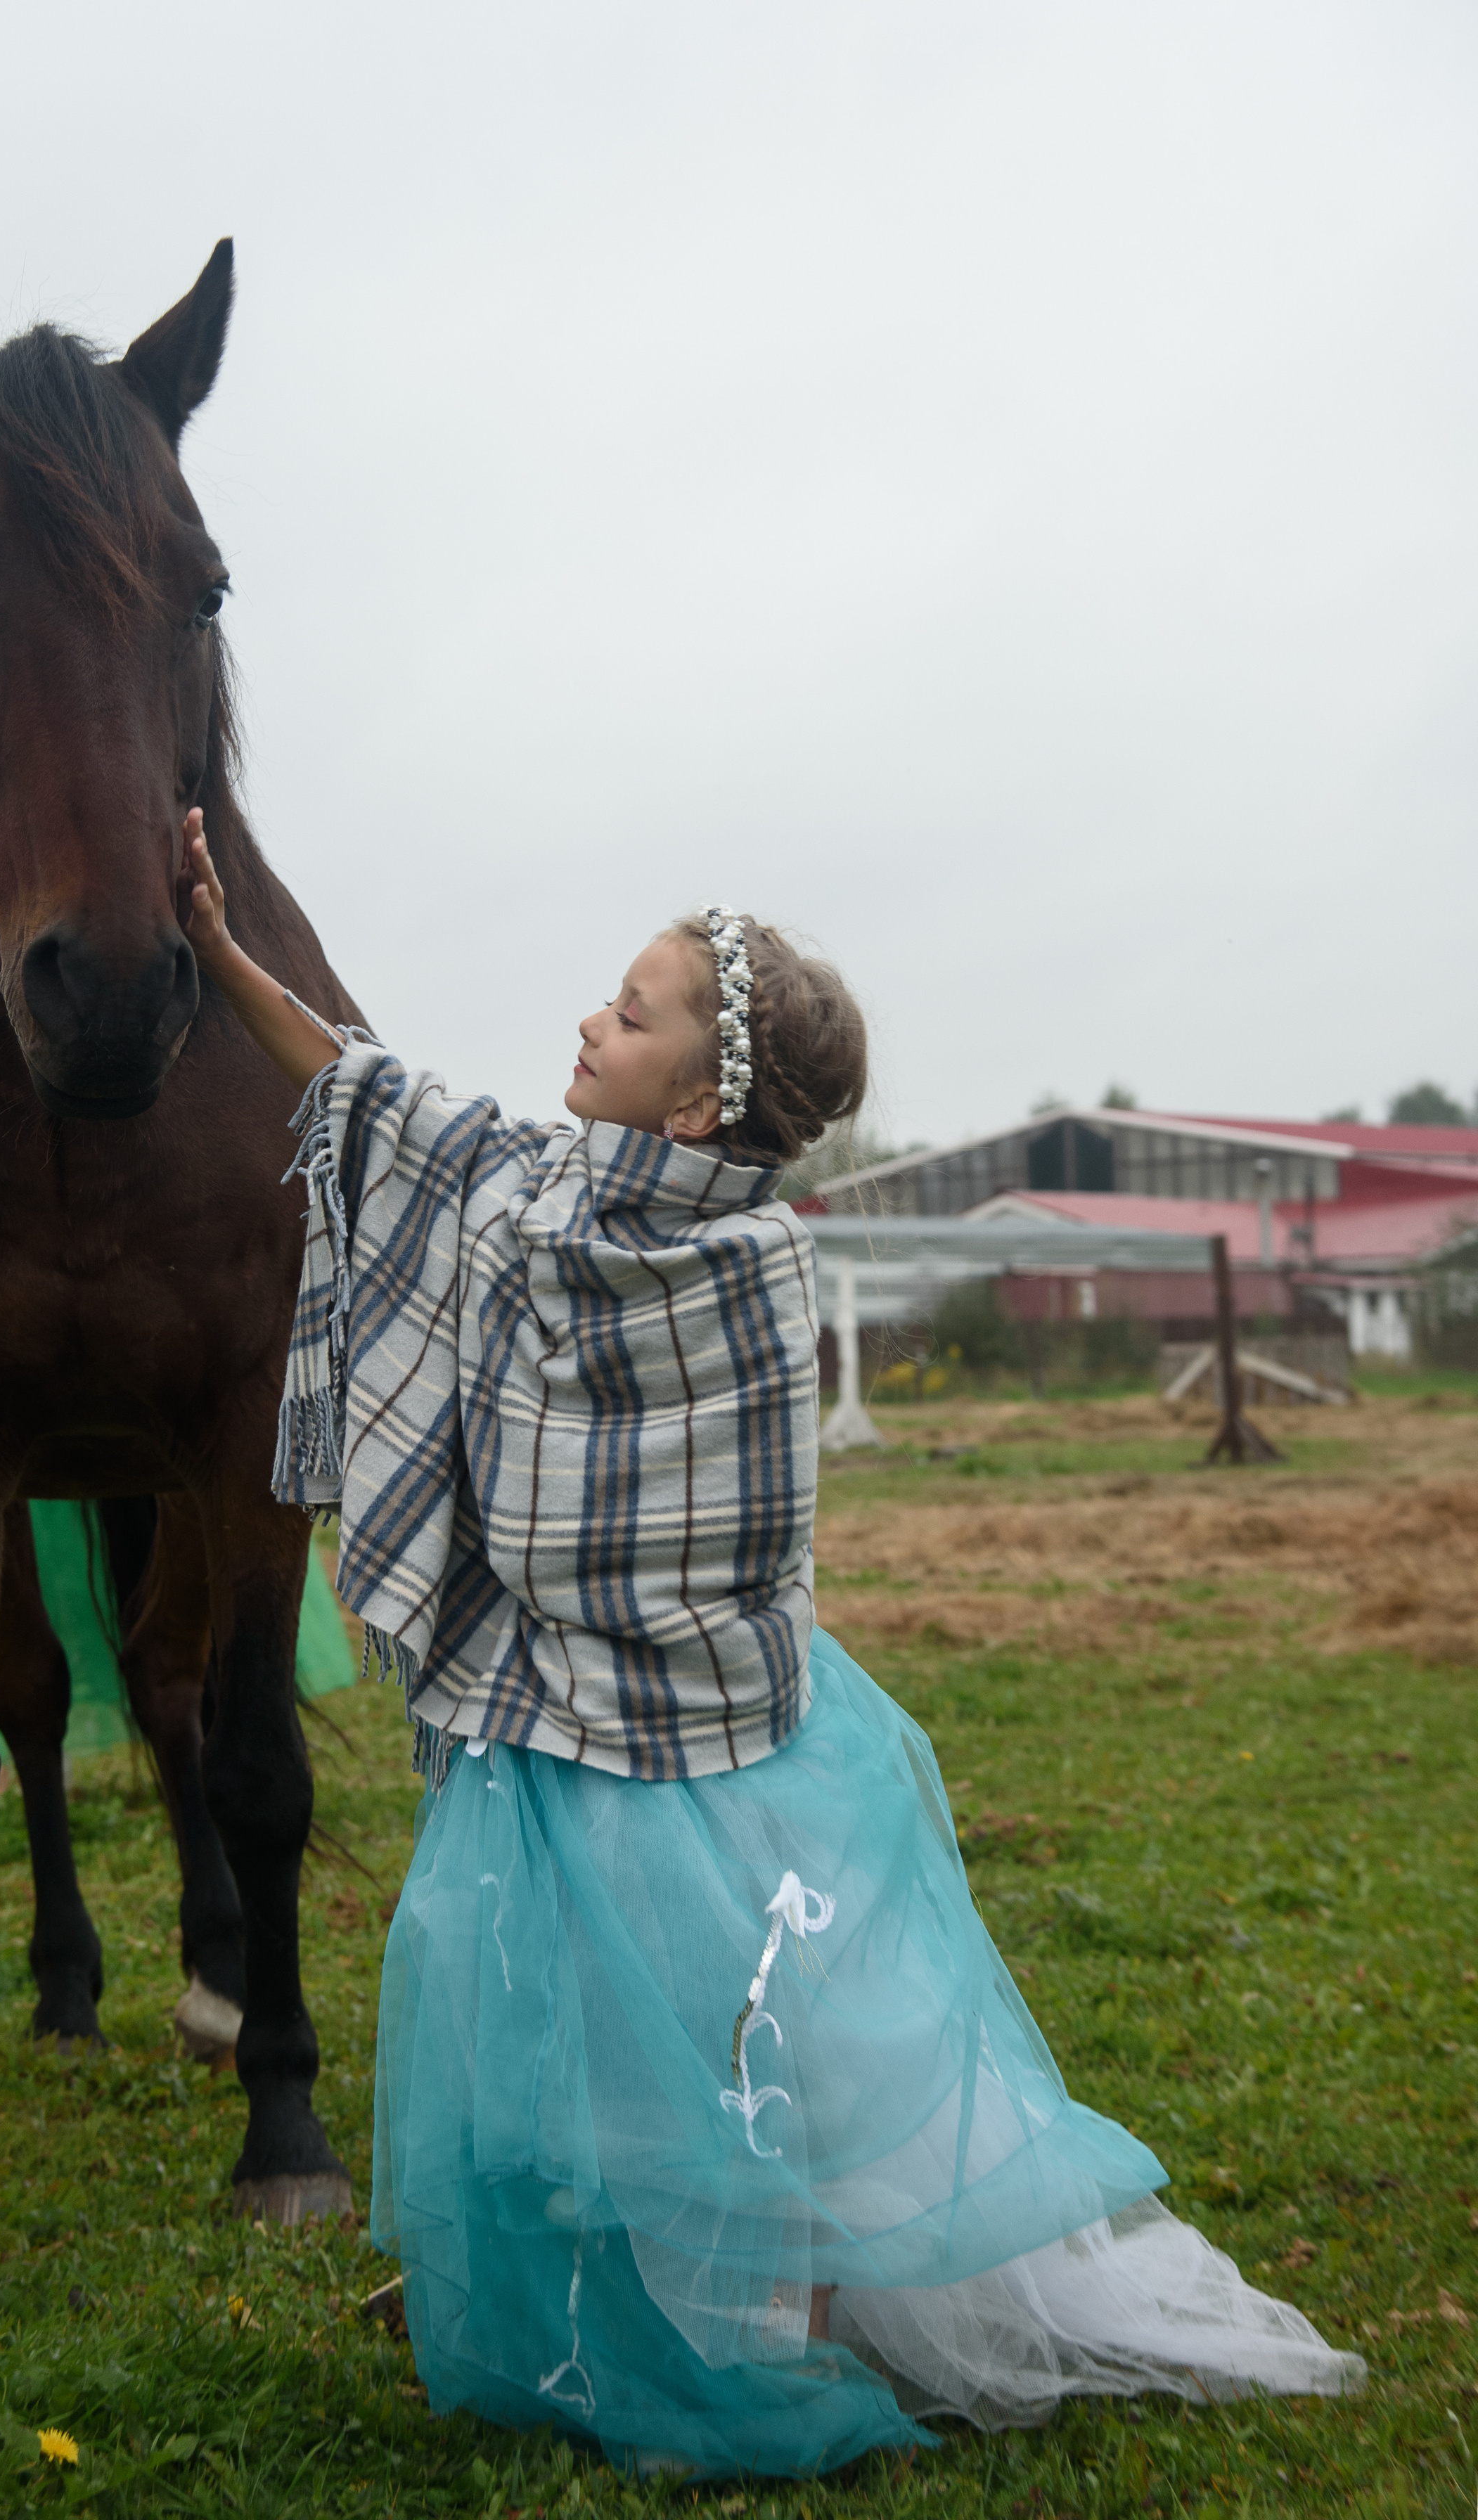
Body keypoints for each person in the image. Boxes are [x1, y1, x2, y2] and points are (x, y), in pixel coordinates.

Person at [180, 811, 1363, 2480]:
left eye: (633, 1010)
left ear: (696, 1100)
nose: (592, 1020)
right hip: (544, 1730)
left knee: (719, 2041)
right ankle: (574, 2300)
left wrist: (558, 1573)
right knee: (557, 2039)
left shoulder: (746, 1270)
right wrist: (224, 952)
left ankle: (777, 2320)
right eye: (608, 995)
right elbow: (374, 1093)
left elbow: (717, 1538)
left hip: (699, 1755)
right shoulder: (530, 1186)